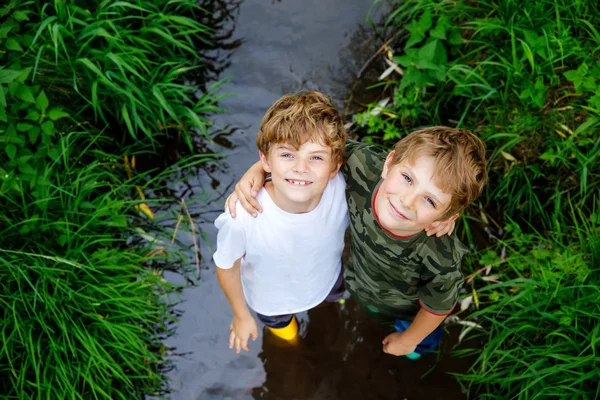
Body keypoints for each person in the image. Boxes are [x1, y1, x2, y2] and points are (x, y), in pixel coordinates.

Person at [227, 126, 487, 357]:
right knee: (368, 312)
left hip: (408, 310)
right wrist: (259, 170)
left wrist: (409, 340)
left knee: (417, 343)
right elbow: (308, 157)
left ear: (445, 217)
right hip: (361, 282)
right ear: (388, 164)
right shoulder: (361, 164)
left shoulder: (440, 251)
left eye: (429, 200)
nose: (407, 201)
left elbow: (437, 306)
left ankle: (413, 351)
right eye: (407, 179)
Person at [213, 91, 349, 354]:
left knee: (331, 315)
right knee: (289, 341)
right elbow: (226, 265)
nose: (301, 167)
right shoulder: (243, 216)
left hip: (327, 278)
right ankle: (295, 351)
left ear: (335, 167)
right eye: (287, 155)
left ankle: (331, 324)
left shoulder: (341, 188)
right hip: (272, 300)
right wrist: (241, 315)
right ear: (265, 160)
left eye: (316, 157)